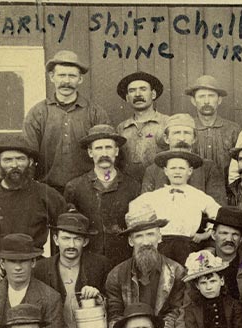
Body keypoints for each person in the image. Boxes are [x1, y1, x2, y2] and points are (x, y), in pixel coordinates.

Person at [0, 135, 66, 280]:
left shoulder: (45, 194)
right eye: (8, 160)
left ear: (30, 161)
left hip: (33, 271)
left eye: (20, 159)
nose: (14, 165)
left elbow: (69, 225)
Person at [32, 210, 112, 328]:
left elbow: (113, 301)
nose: (71, 244)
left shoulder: (100, 265)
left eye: (77, 239)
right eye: (66, 238)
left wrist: (99, 297)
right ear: (55, 239)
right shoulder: (40, 268)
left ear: (85, 241)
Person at [104, 204, 188, 328]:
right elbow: (115, 313)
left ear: (159, 237)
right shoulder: (116, 275)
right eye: (139, 236)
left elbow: (176, 310)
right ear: (130, 241)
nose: (146, 242)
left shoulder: (176, 271)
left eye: (150, 234)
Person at [23, 50, 110, 191]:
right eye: (62, 75)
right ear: (52, 77)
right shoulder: (38, 113)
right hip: (47, 189)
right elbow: (28, 156)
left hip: (88, 189)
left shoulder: (95, 113)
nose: (66, 81)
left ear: (80, 79)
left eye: (72, 76)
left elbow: (107, 153)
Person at [65, 124, 141, 266]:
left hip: (123, 261)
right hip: (88, 261)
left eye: (108, 147)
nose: (104, 153)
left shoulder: (133, 187)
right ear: (90, 152)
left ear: (116, 151)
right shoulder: (75, 187)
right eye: (98, 148)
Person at [135, 150, 221, 264]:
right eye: (173, 168)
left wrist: (206, 234)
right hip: (162, 244)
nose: (177, 172)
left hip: (186, 245)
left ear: (189, 171)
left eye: (181, 168)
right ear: (166, 171)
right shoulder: (156, 195)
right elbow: (136, 208)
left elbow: (217, 212)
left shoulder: (198, 195)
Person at [139, 113, 226, 204]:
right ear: (166, 138)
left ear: (194, 138)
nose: (182, 138)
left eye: (187, 133)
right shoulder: (153, 170)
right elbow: (145, 207)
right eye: (176, 133)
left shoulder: (208, 168)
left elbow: (218, 209)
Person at [184, 75, 242, 185]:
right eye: (201, 96)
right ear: (193, 100)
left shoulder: (233, 130)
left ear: (219, 100)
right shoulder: (187, 129)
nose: (206, 101)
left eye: (211, 96)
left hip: (227, 193)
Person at [115, 71, 168, 182]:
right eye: (132, 91)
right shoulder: (121, 128)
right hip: (129, 187)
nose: (138, 94)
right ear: (127, 97)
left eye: (143, 89)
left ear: (153, 94)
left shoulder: (167, 123)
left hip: (160, 185)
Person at [205, 206, 242, 304]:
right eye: (224, 233)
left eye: (235, 234)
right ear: (213, 235)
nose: (229, 239)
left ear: (241, 238)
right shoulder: (201, 261)